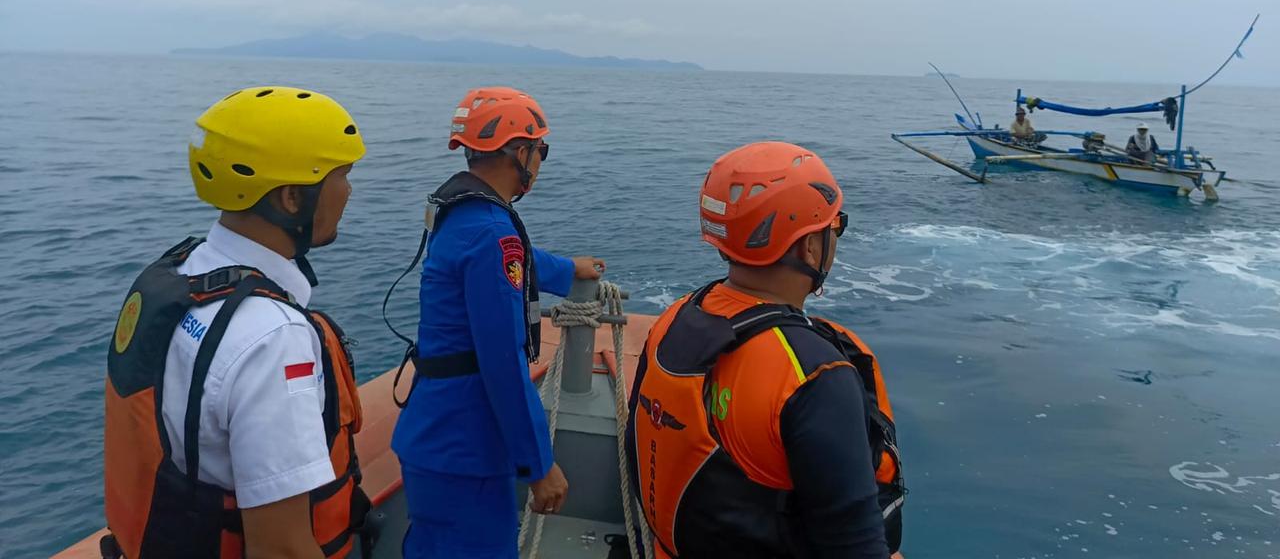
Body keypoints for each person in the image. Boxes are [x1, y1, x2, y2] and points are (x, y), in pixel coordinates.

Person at [103, 87, 370, 559]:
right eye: (342, 175)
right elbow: (281, 549)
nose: (349, 191)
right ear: (292, 198)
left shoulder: (184, 272)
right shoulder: (272, 337)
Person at [626, 141, 905, 559]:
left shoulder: (674, 318)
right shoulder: (814, 375)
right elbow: (855, 546)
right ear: (809, 247)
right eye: (835, 227)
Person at [392, 87, 606, 559]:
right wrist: (539, 464)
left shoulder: (464, 213)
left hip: (438, 432)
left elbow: (509, 265)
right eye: (541, 150)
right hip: (464, 448)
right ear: (521, 153)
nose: (541, 162)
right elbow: (503, 363)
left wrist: (568, 270)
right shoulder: (491, 231)